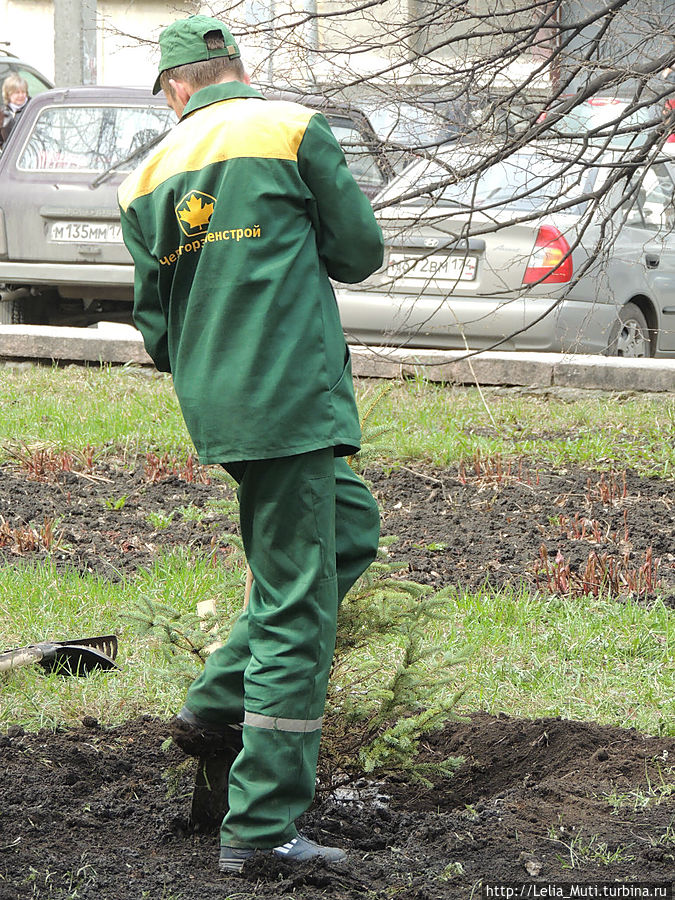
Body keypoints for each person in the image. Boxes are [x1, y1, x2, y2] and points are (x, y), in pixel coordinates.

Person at [118, 14, 383, 875]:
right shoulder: (290, 127)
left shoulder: (147, 176)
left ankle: (216, 698)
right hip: (292, 402)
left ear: (175, 88)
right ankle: (262, 830)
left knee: (346, 532)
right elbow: (359, 252)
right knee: (299, 610)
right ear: (235, 68)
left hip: (225, 409)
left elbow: (155, 331)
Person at [1, 73, 29, 148]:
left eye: (23, 92)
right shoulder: (2, 113)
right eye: (17, 93)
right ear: (8, 94)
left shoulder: (32, 108)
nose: (21, 95)